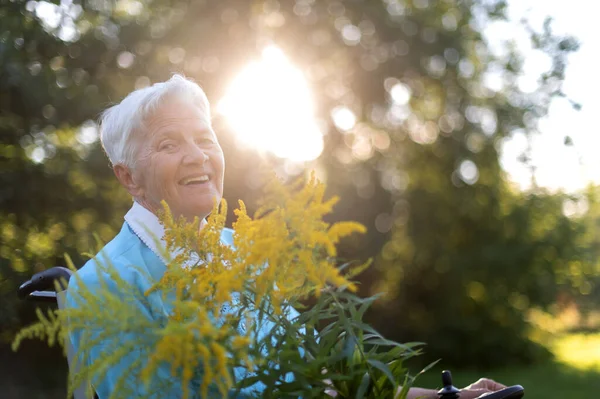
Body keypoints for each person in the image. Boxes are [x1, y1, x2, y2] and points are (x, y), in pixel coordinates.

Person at [66, 74, 506, 399]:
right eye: (169, 145)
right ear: (129, 178)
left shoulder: (242, 251)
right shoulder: (105, 288)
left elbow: (320, 381)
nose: (197, 156)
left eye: (205, 138)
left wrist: (450, 397)